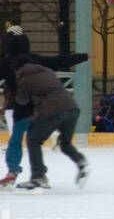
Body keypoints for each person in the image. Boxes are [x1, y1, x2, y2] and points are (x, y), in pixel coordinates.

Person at [0, 25, 88, 189]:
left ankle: (14, 172)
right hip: (41, 109)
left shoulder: (5, 64)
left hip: (19, 109)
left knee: (17, 141)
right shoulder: (34, 59)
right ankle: (40, 174)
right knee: (34, 141)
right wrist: (83, 56)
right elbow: (59, 61)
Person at [13, 56, 90, 191]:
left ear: (20, 68)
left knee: (33, 139)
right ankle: (81, 162)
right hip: (72, 108)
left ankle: (38, 177)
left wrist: (15, 93)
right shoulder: (48, 72)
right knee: (65, 143)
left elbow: (22, 100)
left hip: (54, 111)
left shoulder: (25, 79)